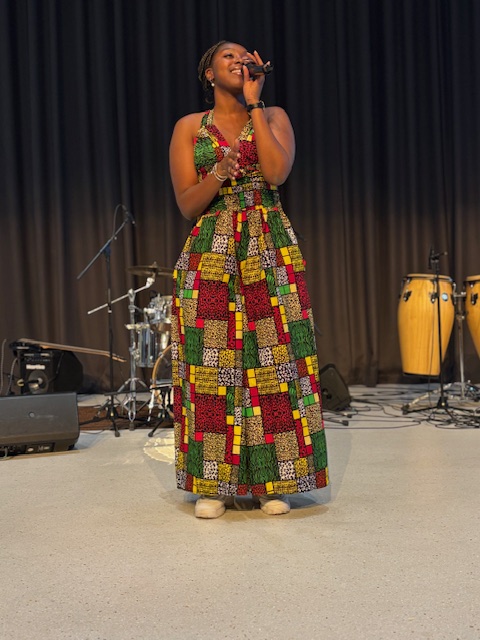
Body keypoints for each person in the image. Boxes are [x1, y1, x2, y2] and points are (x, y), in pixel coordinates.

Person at [169, 40, 328, 518]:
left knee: (276, 361)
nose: (239, 61)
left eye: (245, 56)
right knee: (211, 365)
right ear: (209, 73)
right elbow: (187, 203)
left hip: (267, 239)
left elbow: (276, 173)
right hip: (211, 247)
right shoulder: (189, 127)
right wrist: (218, 172)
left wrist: (256, 103)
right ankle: (213, 485)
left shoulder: (273, 115)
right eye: (228, 57)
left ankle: (274, 481)